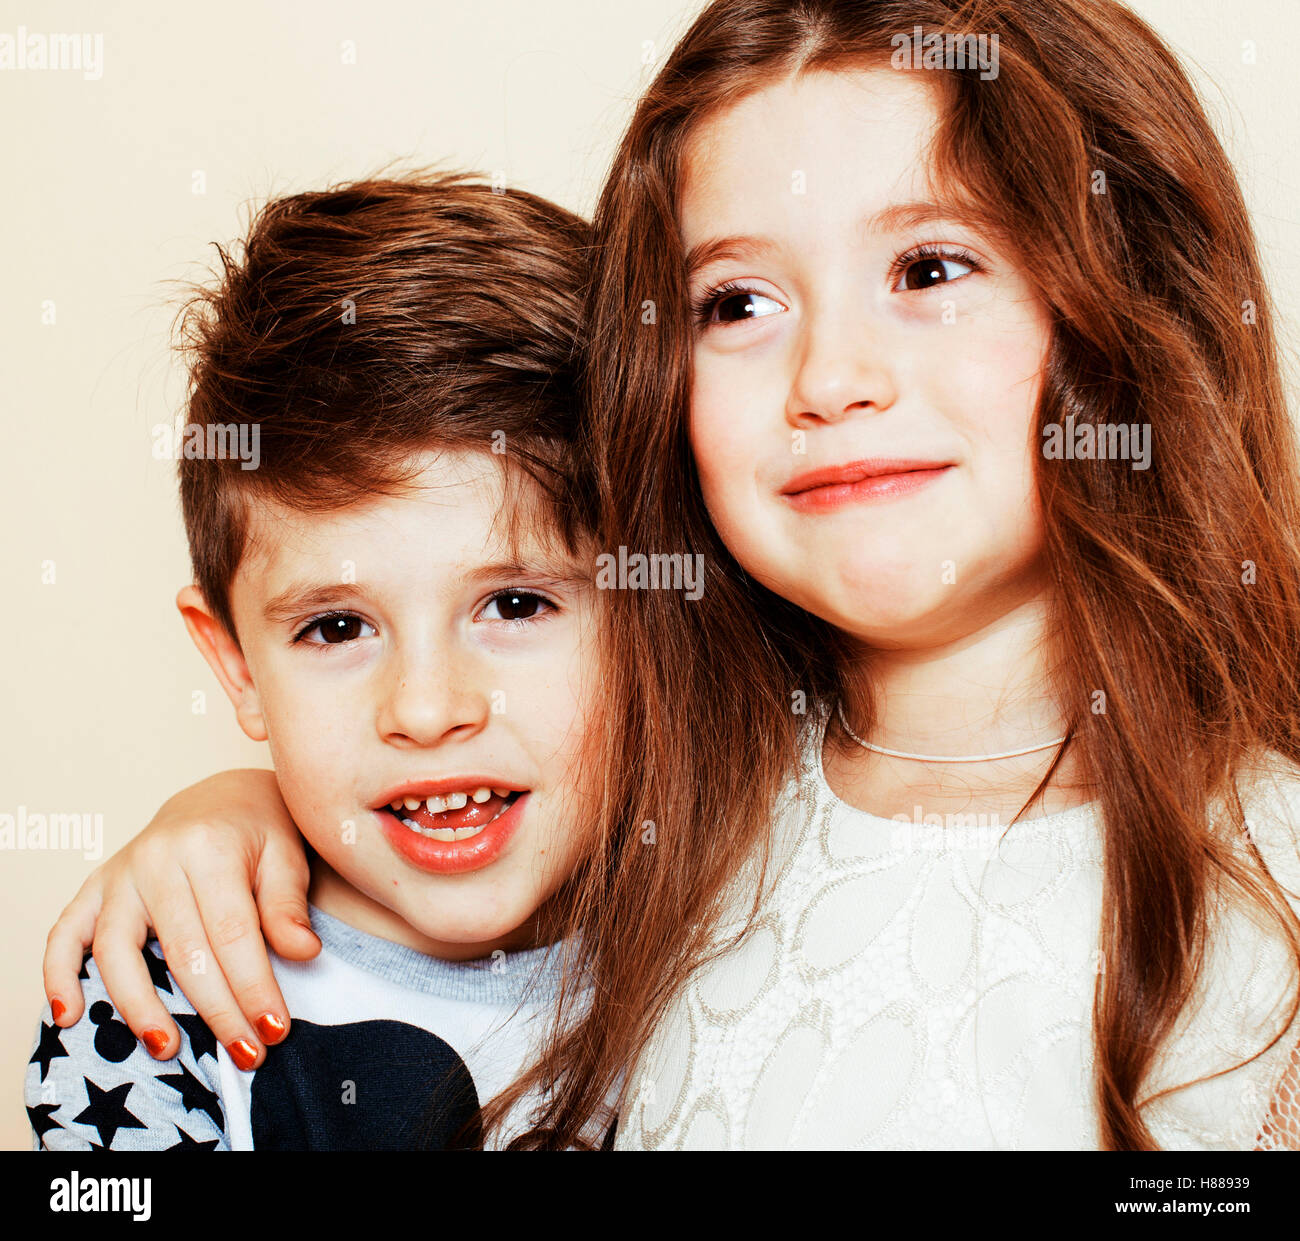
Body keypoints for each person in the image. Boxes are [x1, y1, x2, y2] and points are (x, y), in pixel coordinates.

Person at [42, 0, 1300, 1149]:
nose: (830, 379)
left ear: (1130, 301)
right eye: (736, 302)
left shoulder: (1264, 890)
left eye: (927, 268)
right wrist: (230, 812)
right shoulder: (701, 810)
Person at [26, 172, 612, 1150]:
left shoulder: (751, 932)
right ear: (237, 667)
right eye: (336, 628)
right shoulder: (156, 1003)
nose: (426, 708)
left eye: (516, 604)